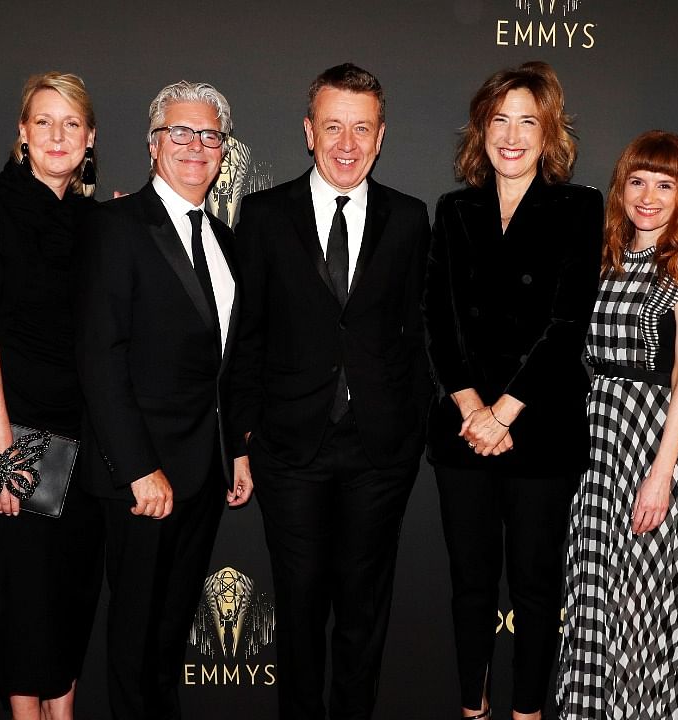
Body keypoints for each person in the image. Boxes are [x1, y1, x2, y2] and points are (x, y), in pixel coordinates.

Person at [229, 62, 431, 720]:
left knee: (362, 616)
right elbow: (246, 338)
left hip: (379, 454)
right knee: (299, 609)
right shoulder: (261, 215)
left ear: (380, 137)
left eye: (362, 129)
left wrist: (408, 436)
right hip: (290, 451)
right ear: (309, 132)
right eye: (334, 127)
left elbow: (419, 336)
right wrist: (241, 443)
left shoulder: (408, 218)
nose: (348, 144)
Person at [423, 62, 600, 720]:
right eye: (500, 119)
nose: (513, 134)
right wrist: (473, 409)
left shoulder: (578, 207)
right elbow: (436, 321)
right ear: (482, 129)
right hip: (462, 432)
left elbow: (565, 323)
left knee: (533, 584)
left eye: (529, 120)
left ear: (550, 132)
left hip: (542, 429)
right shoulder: (455, 209)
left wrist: (505, 412)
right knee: (470, 585)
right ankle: (474, 706)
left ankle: (527, 712)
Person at [74, 80, 252, 720]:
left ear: (223, 149)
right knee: (135, 634)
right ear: (153, 145)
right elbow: (100, 356)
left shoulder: (228, 241)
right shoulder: (116, 226)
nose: (195, 146)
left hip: (204, 470)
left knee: (170, 633)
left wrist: (238, 450)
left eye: (209, 135)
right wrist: (137, 467)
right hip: (141, 475)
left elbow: (227, 366)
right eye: (180, 132)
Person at [0, 71, 104, 720]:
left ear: (89, 137)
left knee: (72, 593)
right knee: (22, 600)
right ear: (22, 133)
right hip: (16, 431)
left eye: (71, 124)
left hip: (89, 438)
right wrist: (1, 460)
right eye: (43, 121)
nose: (57, 135)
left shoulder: (98, 220)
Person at [555, 131, 678, 718]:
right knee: (590, 599)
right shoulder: (605, 256)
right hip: (591, 443)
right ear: (622, 187)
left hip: (650, 444)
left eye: (665, 185)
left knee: (638, 607)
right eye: (638, 181)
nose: (648, 196)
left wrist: (662, 473)